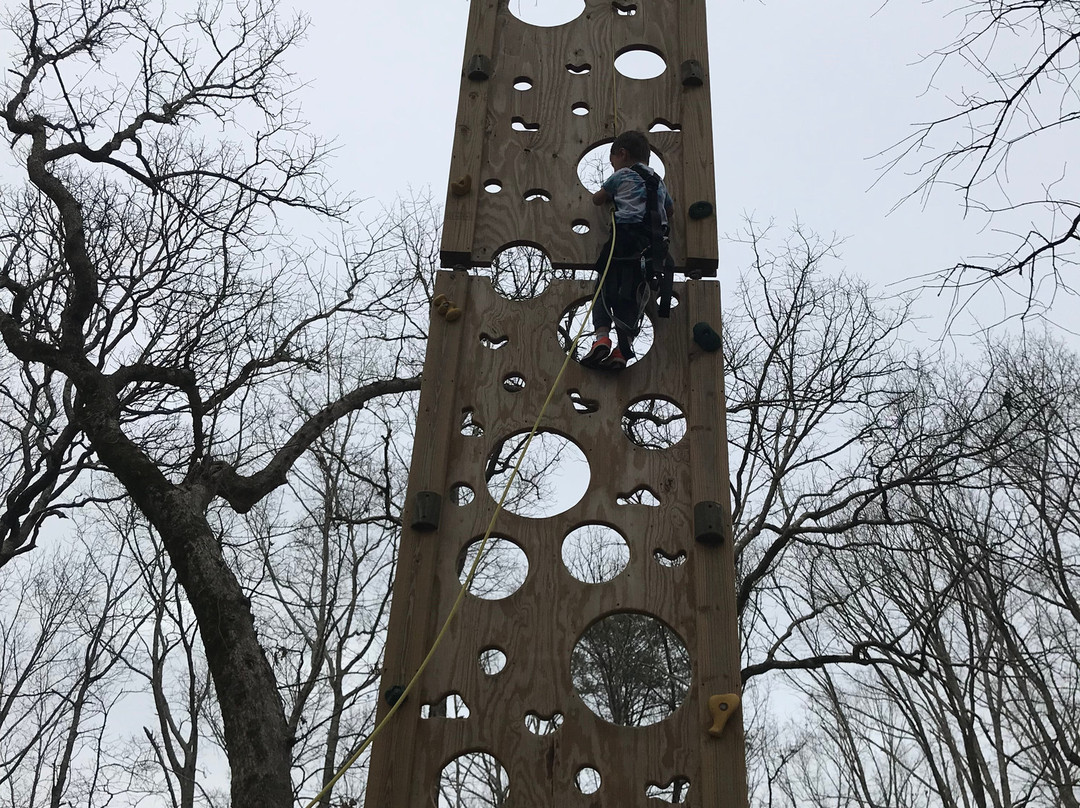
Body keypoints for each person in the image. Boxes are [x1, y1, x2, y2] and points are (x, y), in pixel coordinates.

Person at [582, 130, 674, 370]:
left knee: (603, 286)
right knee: (635, 294)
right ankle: (623, 349)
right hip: (651, 246)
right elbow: (670, 209)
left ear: (622, 154)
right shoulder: (658, 181)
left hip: (623, 238)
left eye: (612, 161)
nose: (613, 166)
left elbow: (598, 199)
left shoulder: (621, 175)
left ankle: (601, 337)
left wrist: (615, 194)